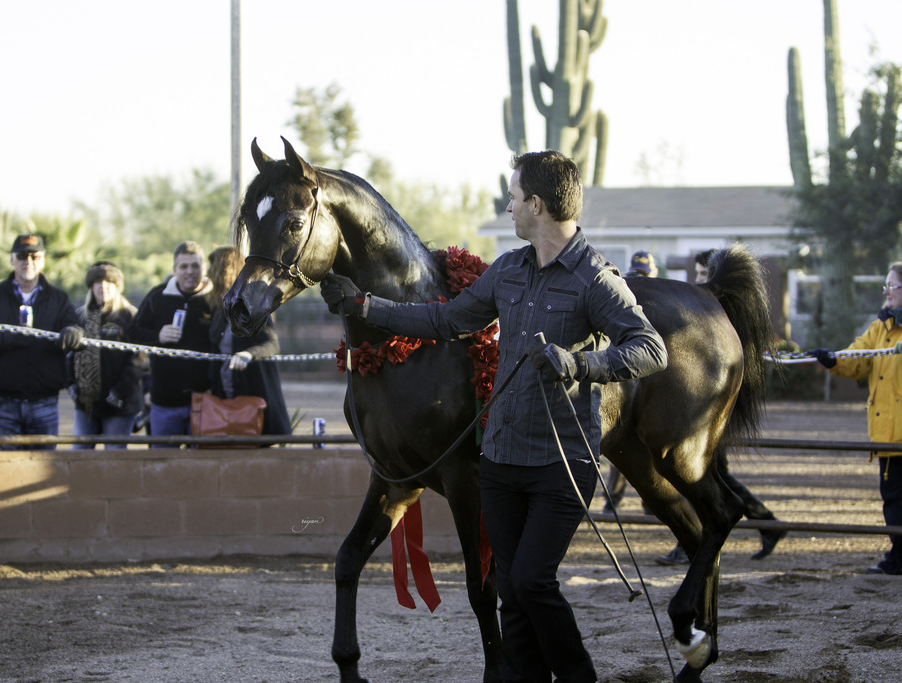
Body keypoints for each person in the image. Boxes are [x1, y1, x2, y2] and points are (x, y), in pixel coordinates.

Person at [321, 150, 668, 682]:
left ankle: (579, 677)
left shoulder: (595, 278)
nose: (507, 208)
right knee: (509, 588)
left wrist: (581, 363)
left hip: (561, 461)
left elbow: (650, 348)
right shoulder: (508, 270)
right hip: (502, 458)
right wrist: (366, 308)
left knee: (531, 581)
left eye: (513, 198)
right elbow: (445, 318)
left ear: (537, 204)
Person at [654, 248, 787, 565]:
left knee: (702, 475)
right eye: (698, 276)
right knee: (712, 476)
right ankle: (766, 523)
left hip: (704, 404)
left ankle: (699, 539)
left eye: (704, 276)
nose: (700, 284)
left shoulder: (715, 317)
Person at [809, 262, 902, 576]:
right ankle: (899, 556)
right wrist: (834, 360)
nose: (886, 292)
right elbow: (858, 358)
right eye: (885, 286)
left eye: (892, 286)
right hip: (889, 432)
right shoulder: (881, 328)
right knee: (893, 499)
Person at [0, 234, 84, 450]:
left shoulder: (59, 299)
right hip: (2, 402)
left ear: (43, 260)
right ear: (12, 260)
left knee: (43, 471)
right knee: (3, 470)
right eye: (21, 256)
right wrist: (9, 338)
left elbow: (75, 329)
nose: (28, 262)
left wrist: (73, 332)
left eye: (34, 256)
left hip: (44, 403)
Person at [128, 241, 213, 443]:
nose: (189, 272)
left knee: (204, 466)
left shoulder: (217, 298)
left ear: (204, 268)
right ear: (174, 269)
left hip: (205, 402)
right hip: (164, 403)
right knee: (164, 465)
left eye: (195, 266)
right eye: (183, 267)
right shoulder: (158, 297)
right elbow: (132, 333)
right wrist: (158, 336)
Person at [206, 246, 292, 437]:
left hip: (253, 402)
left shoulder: (253, 305)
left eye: (212, 270)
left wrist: (248, 354)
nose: (208, 276)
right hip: (226, 399)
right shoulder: (219, 308)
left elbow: (272, 345)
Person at [604, 250, 661, 513]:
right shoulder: (626, 293)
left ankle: (651, 500)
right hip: (629, 374)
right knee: (623, 444)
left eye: (644, 274)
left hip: (651, 374)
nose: (640, 279)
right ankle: (615, 500)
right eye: (637, 274)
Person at [68, 261, 147, 449]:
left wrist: (118, 393)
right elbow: (70, 355)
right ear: (91, 287)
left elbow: (140, 360)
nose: (103, 286)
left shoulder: (130, 316)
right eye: (98, 282)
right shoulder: (81, 317)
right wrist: (72, 384)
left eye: (109, 282)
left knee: (115, 460)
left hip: (119, 406)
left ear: (117, 287)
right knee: (78, 457)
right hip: (86, 405)